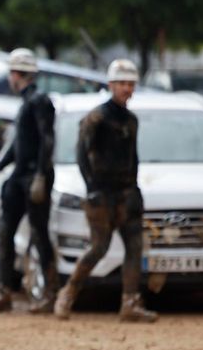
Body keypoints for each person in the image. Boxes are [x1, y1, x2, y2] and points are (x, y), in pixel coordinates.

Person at [54, 60, 157, 322]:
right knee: (98, 248)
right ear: (111, 85)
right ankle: (67, 294)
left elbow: (133, 157)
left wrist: (135, 190)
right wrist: (92, 189)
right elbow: (81, 154)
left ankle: (130, 303)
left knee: (135, 248)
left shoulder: (131, 120)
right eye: (122, 83)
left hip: (127, 194)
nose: (127, 88)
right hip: (102, 194)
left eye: (130, 84)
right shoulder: (97, 117)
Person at [0, 48, 58, 313]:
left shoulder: (39, 101)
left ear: (15, 75)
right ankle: (5, 291)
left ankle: (49, 294)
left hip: (35, 177)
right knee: (5, 231)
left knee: (39, 233)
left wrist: (40, 176)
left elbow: (48, 141)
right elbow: (18, 146)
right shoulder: (25, 103)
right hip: (19, 176)